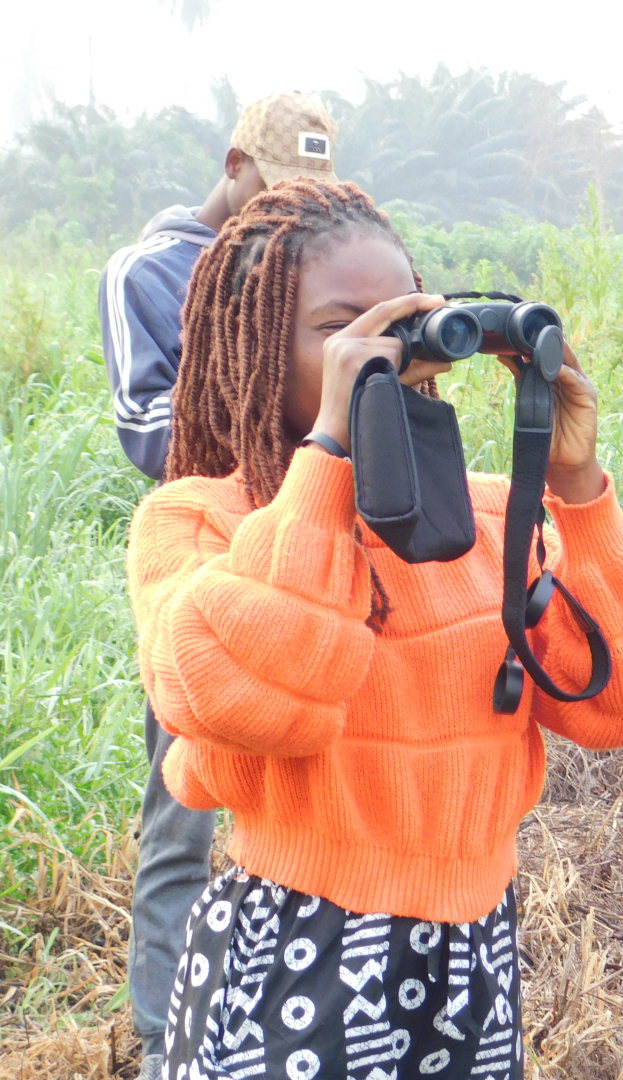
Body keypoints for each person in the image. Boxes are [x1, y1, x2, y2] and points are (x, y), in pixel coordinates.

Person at [126, 177, 623, 1079]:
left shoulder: (489, 520)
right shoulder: (201, 519)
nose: (381, 357)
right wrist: (330, 455)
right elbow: (251, 697)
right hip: (296, 947)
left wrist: (579, 490)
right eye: (338, 330)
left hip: (473, 953)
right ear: (256, 347)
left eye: (398, 326)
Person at [97, 90, 340, 1080]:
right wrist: (272, 440)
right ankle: (168, 1041)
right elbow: (145, 426)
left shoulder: (299, 268)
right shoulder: (148, 272)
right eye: (275, 194)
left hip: (314, 565)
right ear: (234, 164)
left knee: (309, 809)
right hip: (205, 568)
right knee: (183, 816)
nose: (283, 221)